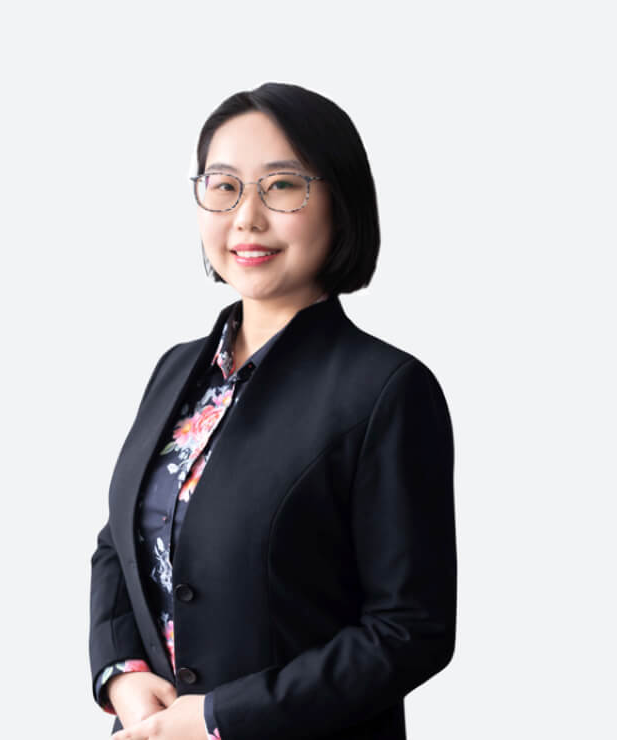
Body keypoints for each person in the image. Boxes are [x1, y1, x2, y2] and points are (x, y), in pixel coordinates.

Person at [88, 81, 456, 740]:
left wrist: (220, 718)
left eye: (283, 186)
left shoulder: (389, 390)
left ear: (340, 202)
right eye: (224, 186)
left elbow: (410, 630)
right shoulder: (177, 370)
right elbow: (120, 540)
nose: (247, 218)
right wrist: (122, 673)